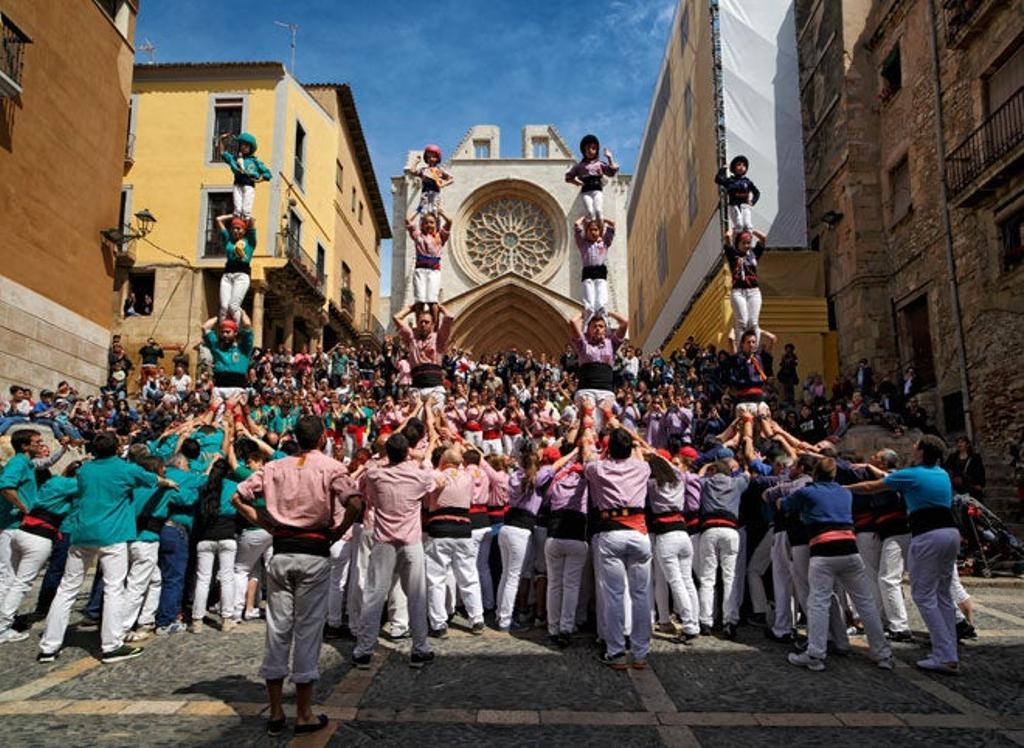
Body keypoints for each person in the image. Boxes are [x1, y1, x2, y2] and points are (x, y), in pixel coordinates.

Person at [233, 415, 360, 736]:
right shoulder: (331, 467)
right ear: (321, 440)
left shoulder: (274, 467)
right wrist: (338, 530)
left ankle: (276, 711)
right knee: (308, 631)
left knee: (277, 628)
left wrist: (267, 524)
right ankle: (303, 712)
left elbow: (238, 496)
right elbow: (355, 502)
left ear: (295, 438)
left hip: (282, 551)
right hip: (314, 552)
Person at [38, 431, 176, 664]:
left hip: (83, 533)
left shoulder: (84, 470)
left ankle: (49, 647)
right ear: (116, 449)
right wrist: (168, 482)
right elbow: (152, 479)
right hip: (113, 535)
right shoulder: (125, 469)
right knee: (114, 589)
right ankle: (111, 645)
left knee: (66, 589)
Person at [848, 435, 961, 674]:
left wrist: (841, 489)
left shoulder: (913, 473)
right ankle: (949, 650)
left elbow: (871, 487)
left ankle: (944, 654)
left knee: (923, 595)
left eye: (916, 445)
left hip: (927, 534)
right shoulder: (942, 473)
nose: (912, 447)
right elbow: (886, 477)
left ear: (921, 452)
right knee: (942, 594)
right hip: (950, 533)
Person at [783, 458, 894, 672]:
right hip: (850, 549)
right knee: (865, 604)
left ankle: (815, 653)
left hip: (823, 551)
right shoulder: (845, 493)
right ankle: (883, 653)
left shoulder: (808, 492)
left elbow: (786, 504)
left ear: (814, 475)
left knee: (818, 602)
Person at [351, 432, 439, 670]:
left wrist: (381, 459)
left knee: (373, 595)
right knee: (417, 595)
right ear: (407, 452)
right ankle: (419, 648)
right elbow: (433, 480)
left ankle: (363, 651)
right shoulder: (418, 477)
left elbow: (367, 472)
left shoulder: (376, 475)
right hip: (410, 541)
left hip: (384, 540)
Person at [585, 428, 653, 668]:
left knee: (614, 595)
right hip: (639, 532)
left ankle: (615, 652)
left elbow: (588, 457)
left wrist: (602, 450)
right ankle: (641, 653)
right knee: (641, 595)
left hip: (611, 532)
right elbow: (642, 453)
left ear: (609, 449)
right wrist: (634, 442)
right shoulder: (642, 468)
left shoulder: (598, 468)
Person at [0, 458, 80, 645]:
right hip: (41, 535)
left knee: (8, 578)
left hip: (23, 530)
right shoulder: (71, 485)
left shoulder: (52, 482)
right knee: (22, 583)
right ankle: (3, 625)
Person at [645, 448, 701, 644]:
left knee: (676, 581)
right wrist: (659, 456)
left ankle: (689, 625)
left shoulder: (651, 484)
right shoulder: (679, 481)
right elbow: (677, 470)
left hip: (665, 534)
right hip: (683, 533)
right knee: (687, 581)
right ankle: (694, 621)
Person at [544, 440, 589, 647]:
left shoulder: (557, 479)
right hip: (576, 534)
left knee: (554, 584)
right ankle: (566, 628)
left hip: (554, 534)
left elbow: (546, 499)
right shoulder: (586, 480)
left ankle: (552, 628)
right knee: (571, 586)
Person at [569, 310, 628, 434]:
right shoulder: (583, 345)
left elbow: (625, 322)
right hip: (586, 389)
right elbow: (573, 322)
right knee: (587, 424)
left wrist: (608, 312)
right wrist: (584, 313)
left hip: (606, 390)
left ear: (606, 330)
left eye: (601, 326)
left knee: (609, 425)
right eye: (594, 326)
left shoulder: (611, 343)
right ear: (588, 329)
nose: (598, 329)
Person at [393, 303, 454, 407]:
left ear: (433, 324)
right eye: (421, 322)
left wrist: (439, 306)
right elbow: (396, 318)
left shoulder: (439, 338)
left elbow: (449, 317)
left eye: (427, 322)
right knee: (415, 421)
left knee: (433, 420)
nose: (423, 324)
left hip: (434, 388)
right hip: (416, 388)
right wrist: (411, 308)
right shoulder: (412, 339)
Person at [726, 228, 768, 346]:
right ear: (738, 243)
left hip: (753, 291)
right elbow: (727, 237)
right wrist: (735, 229)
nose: (746, 245)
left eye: (748, 243)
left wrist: (751, 229)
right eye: (743, 243)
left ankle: (754, 349)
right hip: (738, 292)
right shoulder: (732, 254)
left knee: (753, 323)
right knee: (742, 322)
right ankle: (741, 349)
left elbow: (764, 238)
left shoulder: (754, 254)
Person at [565, 134, 618, 225]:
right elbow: (568, 177)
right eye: (587, 148)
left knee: (598, 211)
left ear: (596, 150)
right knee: (590, 212)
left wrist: (609, 158)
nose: (590, 151)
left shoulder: (599, 164)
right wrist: (576, 182)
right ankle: (588, 232)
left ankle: (599, 235)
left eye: (593, 148)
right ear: (584, 151)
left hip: (597, 190)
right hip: (586, 192)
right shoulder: (580, 166)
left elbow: (611, 172)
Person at [202, 313, 254, 405]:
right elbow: (205, 327)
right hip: (219, 389)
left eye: (228, 332)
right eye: (222, 332)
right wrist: (221, 314)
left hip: (238, 390)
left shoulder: (243, 349)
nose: (224, 335)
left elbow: (247, 325)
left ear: (235, 333)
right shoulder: (216, 347)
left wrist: (240, 311)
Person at [215, 214, 257, 323]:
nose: (235, 231)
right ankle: (223, 331)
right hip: (227, 275)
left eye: (238, 228)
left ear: (244, 230)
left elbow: (252, 220)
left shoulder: (250, 242)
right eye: (233, 228)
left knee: (233, 306)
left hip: (241, 275)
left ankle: (235, 331)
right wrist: (233, 215)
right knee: (224, 307)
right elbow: (218, 219)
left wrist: (245, 216)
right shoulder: (228, 240)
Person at [221, 131, 272, 220]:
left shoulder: (255, 162)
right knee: (237, 209)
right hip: (238, 183)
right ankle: (237, 224)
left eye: (246, 145)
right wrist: (221, 140)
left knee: (246, 210)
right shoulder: (234, 159)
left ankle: (247, 225)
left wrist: (259, 180)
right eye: (242, 145)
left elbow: (267, 174)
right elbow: (223, 153)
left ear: (250, 148)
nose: (243, 147)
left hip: (249, 184)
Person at [573, 215, 615, 322]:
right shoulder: (583, 244)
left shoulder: (604, 243)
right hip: (587, 272)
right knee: (589, 304)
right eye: (590, 230)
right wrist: (584, 218)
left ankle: (604, 323)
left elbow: (612, 225)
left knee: (601, 302)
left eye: (596, 230)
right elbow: (576, 225)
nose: (593, 232)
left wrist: (602, 219)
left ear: (599, 232)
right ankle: (588, 325)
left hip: (600, 271)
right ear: (586, 232)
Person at [406, 211, 452, 307]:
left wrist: (441, 212)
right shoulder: (418, 235)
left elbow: (449, 221)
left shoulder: (440, 236)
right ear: (422, 225)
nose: (428, 225)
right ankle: (419, 320)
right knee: (419, 300)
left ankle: (434, 322)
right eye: (426, 223)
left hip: (434, 270)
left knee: (433, 300)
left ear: (436, 224)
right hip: (420, 269)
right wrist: (418, 210)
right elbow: (408, 220)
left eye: (431, 222)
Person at [715, 154, 760, 231]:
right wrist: (724, 168)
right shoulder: (730, 181)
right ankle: (735, 240)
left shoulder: (748, 182)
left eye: (744, 165)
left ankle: (748, 241)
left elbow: (757, 192)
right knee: (739, 225)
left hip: (745, 206)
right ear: (734, 168)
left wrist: (753, 201)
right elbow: (718, 179)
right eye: (738, 165)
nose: (741, 167)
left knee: (748, 226)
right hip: (734, 206)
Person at [406, 144, 453, 216]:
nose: (431, 159)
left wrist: (443, 184)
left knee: (435, 211)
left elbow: (451, 179)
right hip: (425, 195)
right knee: (424, 212)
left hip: (435, 195)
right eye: (429, 157)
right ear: (426, 158)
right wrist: (416, 161)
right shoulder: (424, 170)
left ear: (437, 158)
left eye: (433, 157)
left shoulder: (439, 171)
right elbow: (412, 171)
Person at [944, 436, 985, 500]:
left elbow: (979, 472)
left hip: (970, 488)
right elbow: (946, 469)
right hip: (956, 488)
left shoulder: (975, 458)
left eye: (962, 442)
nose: (959, 444)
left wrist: (966, 480)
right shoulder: (952, 457)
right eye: (958, 442)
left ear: (967, 444)